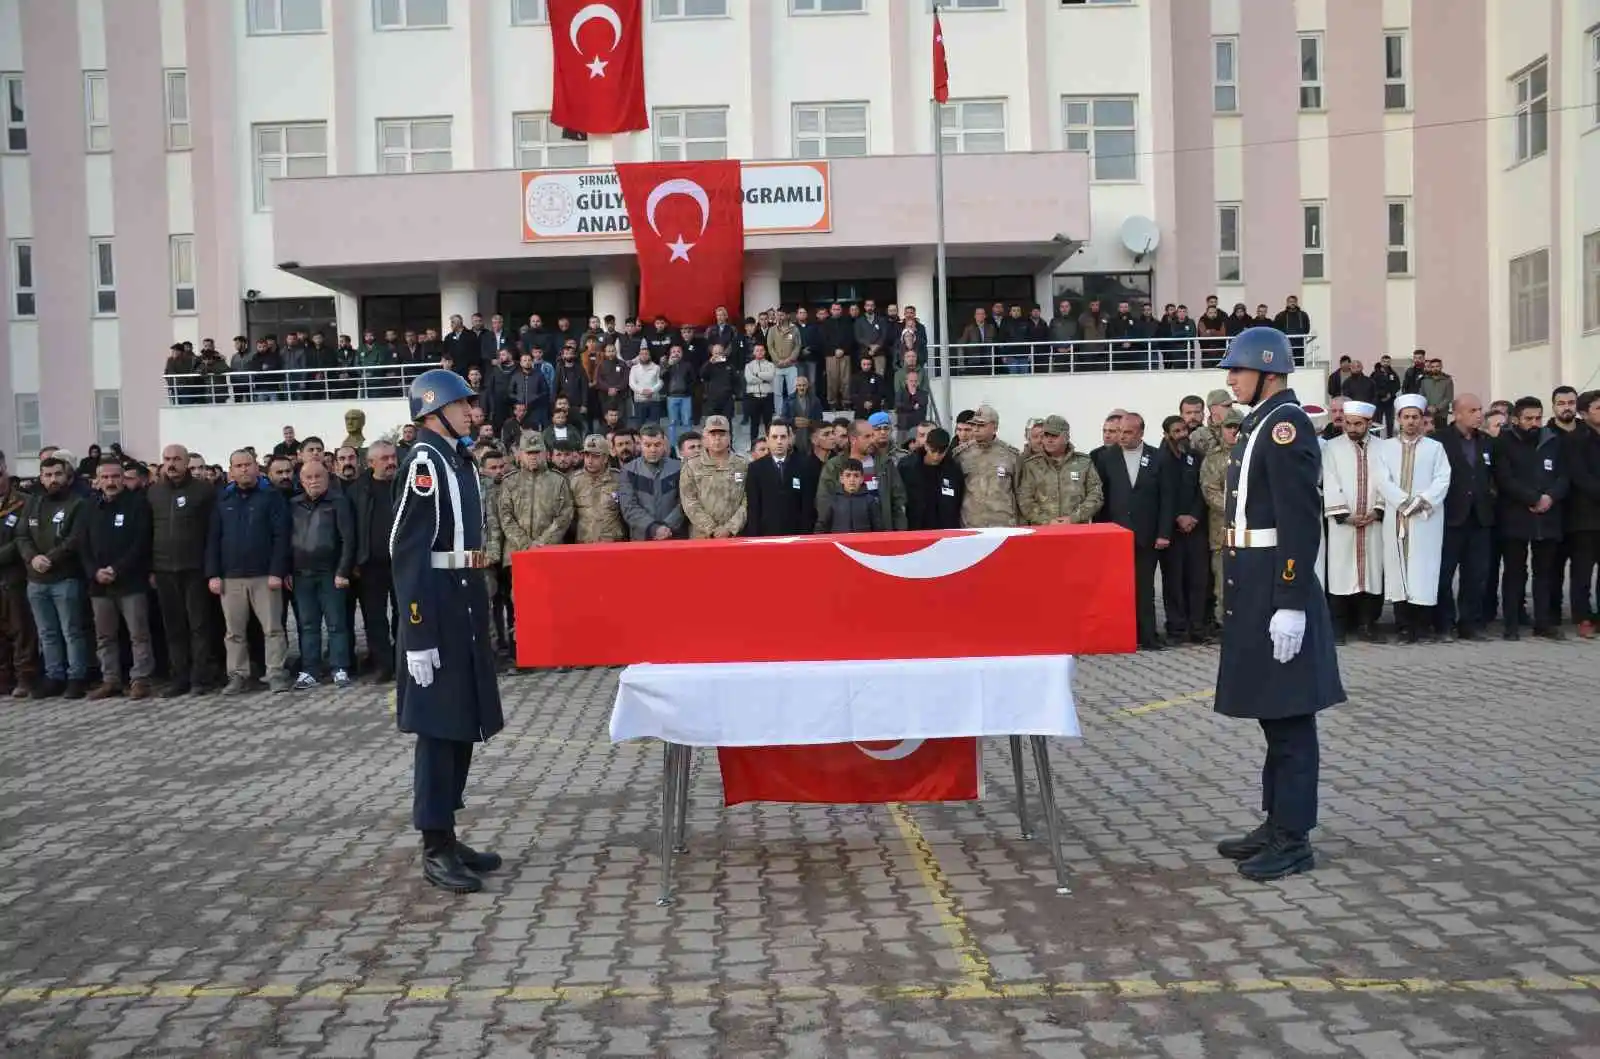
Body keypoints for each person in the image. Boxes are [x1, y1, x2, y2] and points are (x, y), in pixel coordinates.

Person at [1212, 327, 1345, 881]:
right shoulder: (1261, 422)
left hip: (1275, 583)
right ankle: (1276, 822)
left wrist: (1290, 599)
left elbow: (1298, 519)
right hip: (1253, 579)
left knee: (1290, 719)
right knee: (1273, 715)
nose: (1229, 379)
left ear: (1268, 371)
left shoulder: (1285, 429)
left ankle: (1294, 838)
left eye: (1237, 370)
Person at [391, 368, 506, 894]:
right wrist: (417, 633)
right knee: (438, 732)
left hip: (462, 598)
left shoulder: (455, 457)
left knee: (461, 723)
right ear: (433, 410)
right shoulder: (424, 462)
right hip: (435, 605)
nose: (470, 411)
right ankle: (434, 845)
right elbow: (407, 552)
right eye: (461, 405)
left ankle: (449, 833)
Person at [207, 450, 292, 695]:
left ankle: (275, 673)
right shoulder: (223, 500)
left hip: (265, 576)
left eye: (248, 464)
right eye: (238, 465)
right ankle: (237, 675)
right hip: (230, 578)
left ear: (257, 467)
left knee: (273, 629)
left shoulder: (271, 497)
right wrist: (213, 574)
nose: (244, 469)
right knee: (234, 632)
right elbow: (213, 539)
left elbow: (281, 537)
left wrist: (277, 570)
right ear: (231, 471)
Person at [1494, 395, 1568, 640]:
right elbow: (1505, 479)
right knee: (1515, 571)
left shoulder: (1554, 441)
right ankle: (1512, 623)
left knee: (1544, 572)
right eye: (1529, 418)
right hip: (1516, 516)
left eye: (1538, 417)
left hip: (1547, 516)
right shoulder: (1504, 442)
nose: (1534, 423)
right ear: (1516, 419)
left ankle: (1544, 623)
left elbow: (1564, 476)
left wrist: (1549, 497)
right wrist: (1532, 499)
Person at [17, 456, 92, 698]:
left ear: (67, 476)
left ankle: (76, 676)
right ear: (41, 477)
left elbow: (76, 538)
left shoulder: (77, 503)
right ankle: (54, 675)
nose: (53, 479)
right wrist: (33, 558)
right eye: (47, 475)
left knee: (71, 630)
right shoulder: (33, 503)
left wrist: (50, 558)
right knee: (46, 632)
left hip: (65, 578)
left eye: (57, 474)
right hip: (36, 580)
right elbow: (22, 536)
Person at [83, 459, 155, 700]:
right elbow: (82, 545)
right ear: (98, 480)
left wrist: (116, 569)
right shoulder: (90, 506)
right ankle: (110, 679)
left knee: (138, 634)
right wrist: (95, 571)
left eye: (116, 477)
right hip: (99, 584)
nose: (111, 482)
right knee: (105, 636)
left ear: (123, 479)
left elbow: (141, 543)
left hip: (130, 581)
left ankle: (140, 679)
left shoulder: (137, 504)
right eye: (106, 477)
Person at [1321, 401, 1387, 642]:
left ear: (1369, 423)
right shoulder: (1331, 448)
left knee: (1372, 572)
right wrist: (1343, 514)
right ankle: (1338, 627)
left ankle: (1368, 624)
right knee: (1340, 572)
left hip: (1373, 522)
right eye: (1348, 423)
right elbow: (1329, 480)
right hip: (1343, 524)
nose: (1352, 428)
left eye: (1358, 424)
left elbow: (1387, 480)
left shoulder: (1383, 448)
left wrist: (1378, 510)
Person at [288, 459, 356, 689]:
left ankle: (339, 668)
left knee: (336, 624)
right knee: (308, 625)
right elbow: (285, 540)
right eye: (309, 477)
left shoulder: (338, 502)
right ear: (302, 480)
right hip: (301, 575)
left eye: (319, 476)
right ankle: (310, 671)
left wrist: (343, 570)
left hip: (331, 573)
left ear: (327, 478)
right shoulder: (293, 504)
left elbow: (348, 539)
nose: (314, 481)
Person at [1435, 394, 1496, 640]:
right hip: (1450, 517)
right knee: (1444, 575)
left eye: (1480, 409)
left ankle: (1469, 623)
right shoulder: (1439, 441)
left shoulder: (1488, 442)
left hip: (1480, 518)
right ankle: (1444, 624)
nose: (1479, 414)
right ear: (1457, 413)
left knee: (1476, 575)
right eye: (1473, 410)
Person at [900, 428, 965, 531]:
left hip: (945, 531)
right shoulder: (907, 467)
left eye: (941, 452)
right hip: (915, 529)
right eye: (933, 451)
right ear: (926, 446)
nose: (936, 457)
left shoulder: (953, 470)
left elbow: (959, 499)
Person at [819, 458, 883, 533]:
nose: (852, 479)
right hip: (839, 543)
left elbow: (879, 529)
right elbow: (822, 527)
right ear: (841, 479)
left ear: (862, 479)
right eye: (848, 475)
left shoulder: (870, 501)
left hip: (863, 543)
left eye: (856, 476)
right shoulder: (833, 500)